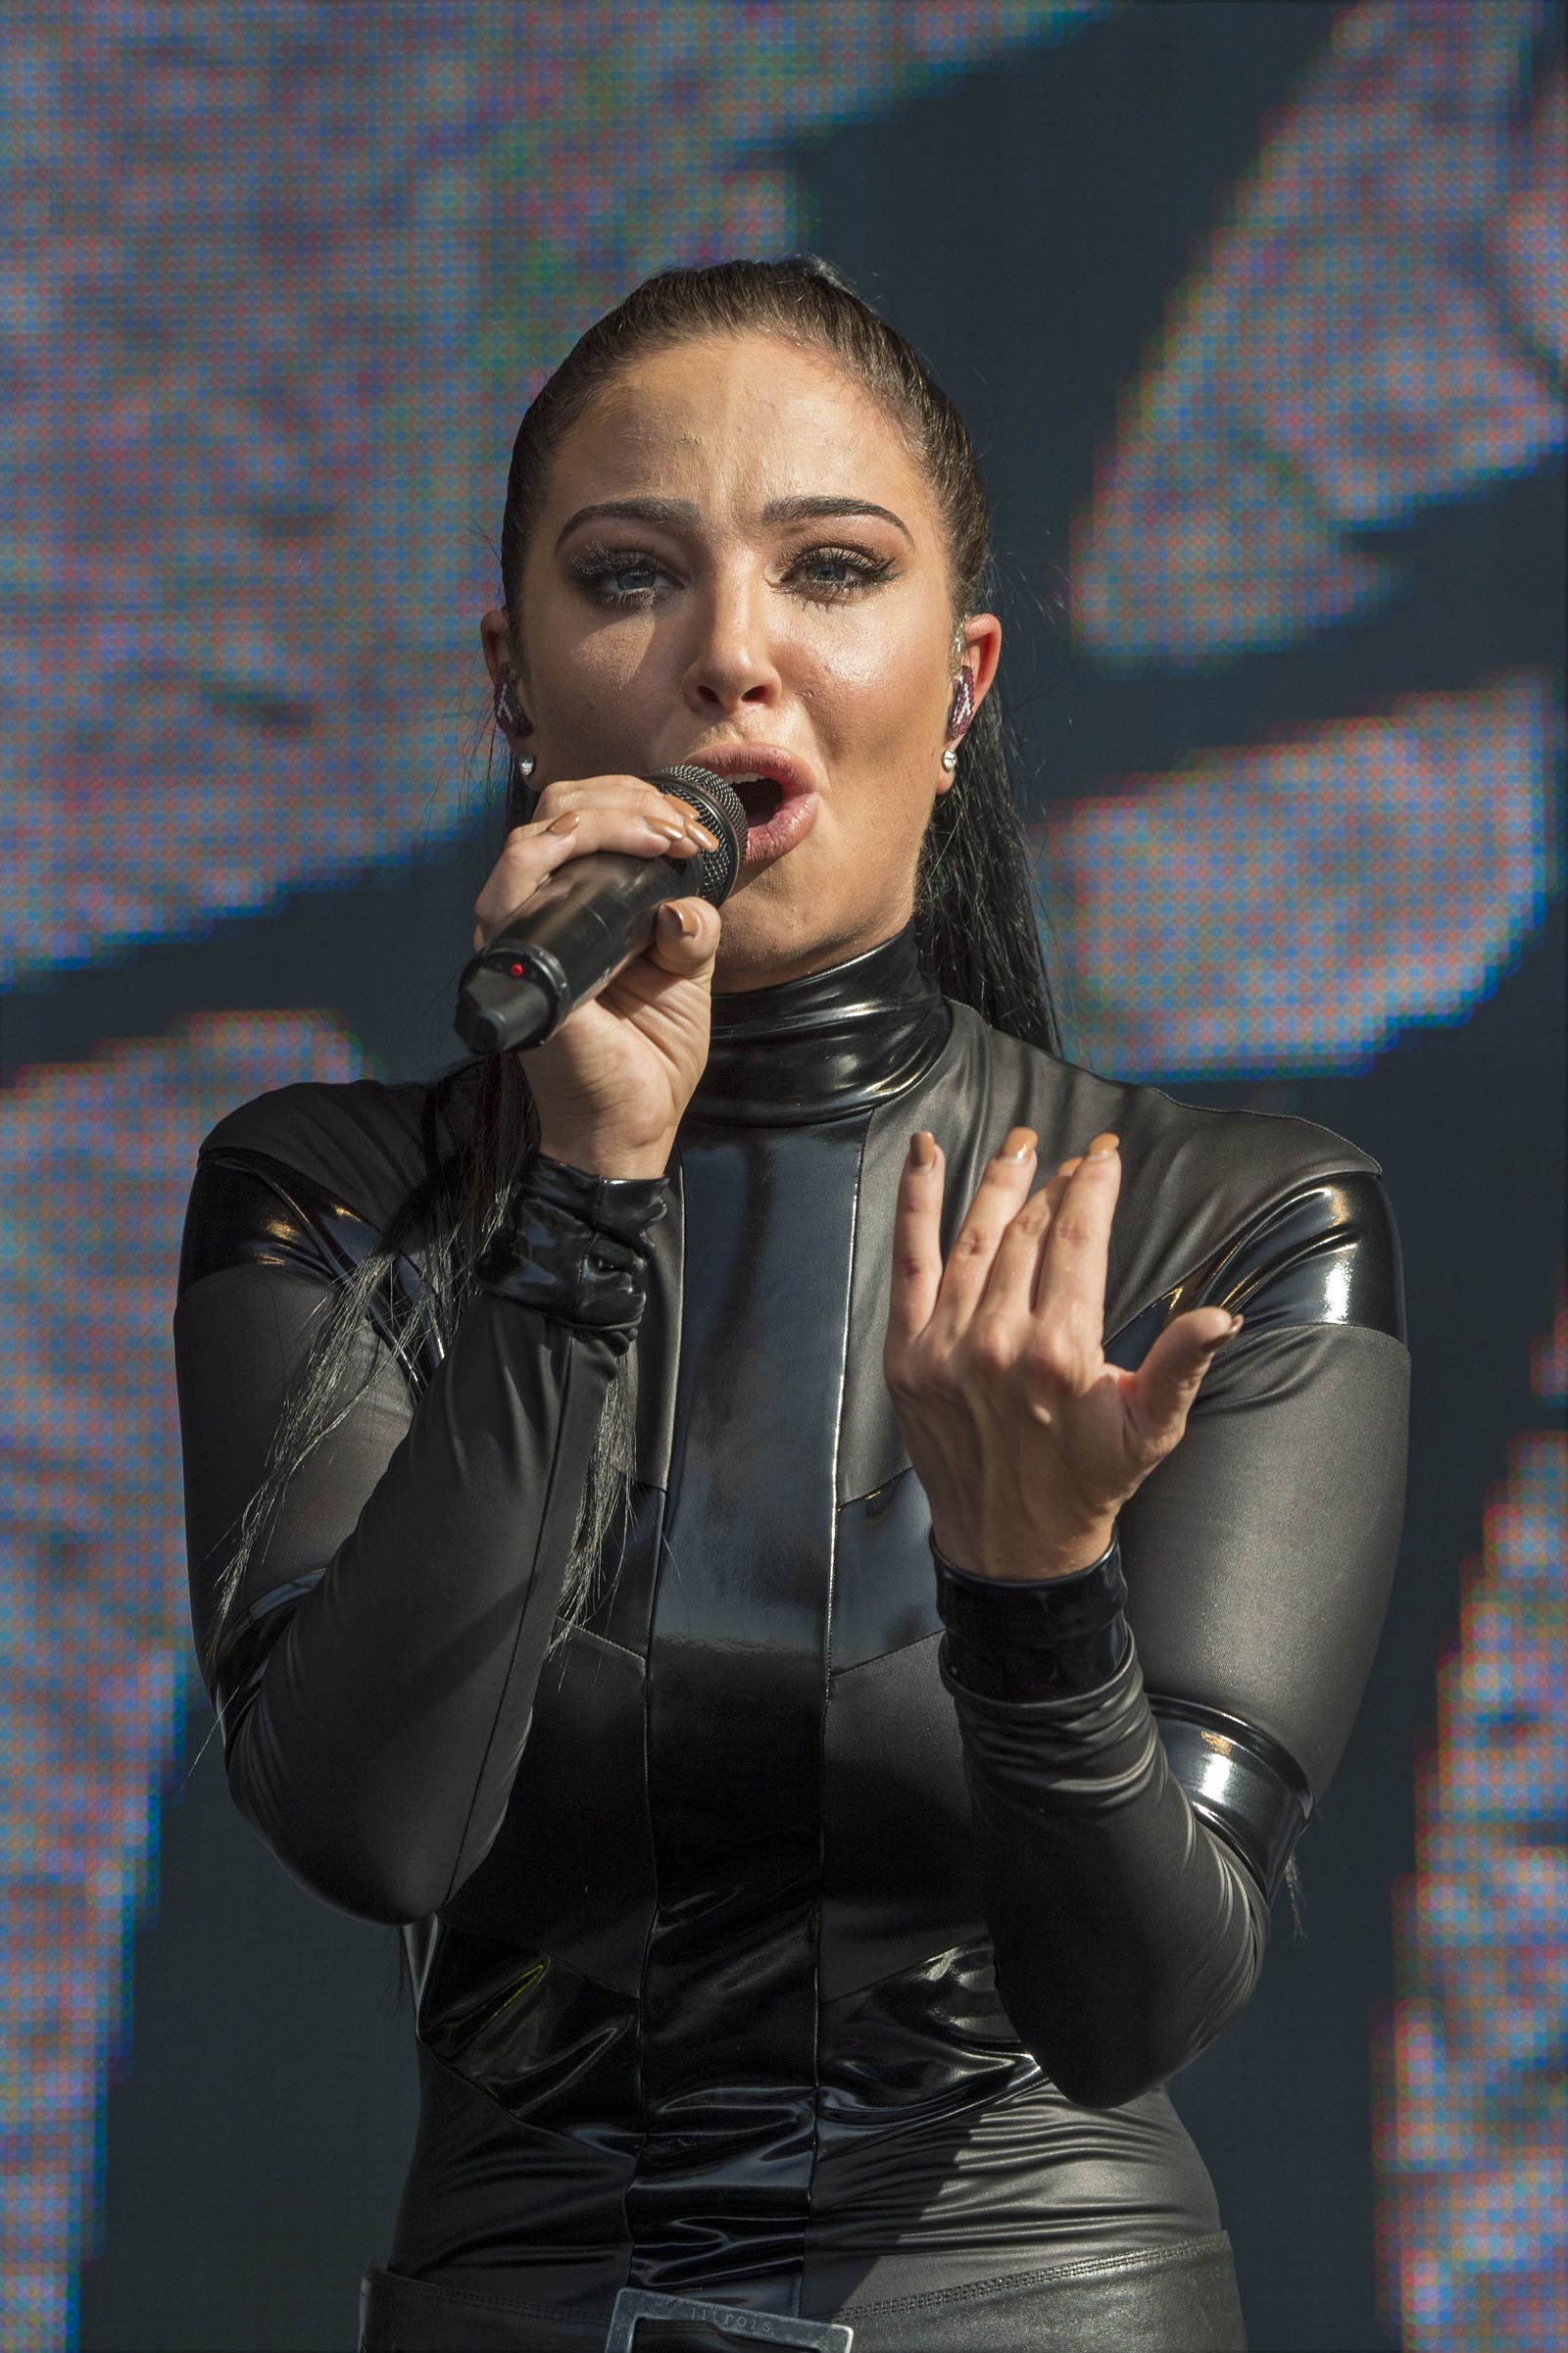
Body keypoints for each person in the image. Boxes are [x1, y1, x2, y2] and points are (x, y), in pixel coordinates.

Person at [172, 257, 1409, 2353]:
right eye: (627, 576)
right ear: (513, 678)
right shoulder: (338, 1201)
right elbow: (381, 1819)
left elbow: (1135, 1999)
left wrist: (1035, 1595)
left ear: (960, 682)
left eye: (829, 571)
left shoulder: (1228, 1217)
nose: (729, 658)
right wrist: (574, 1210)